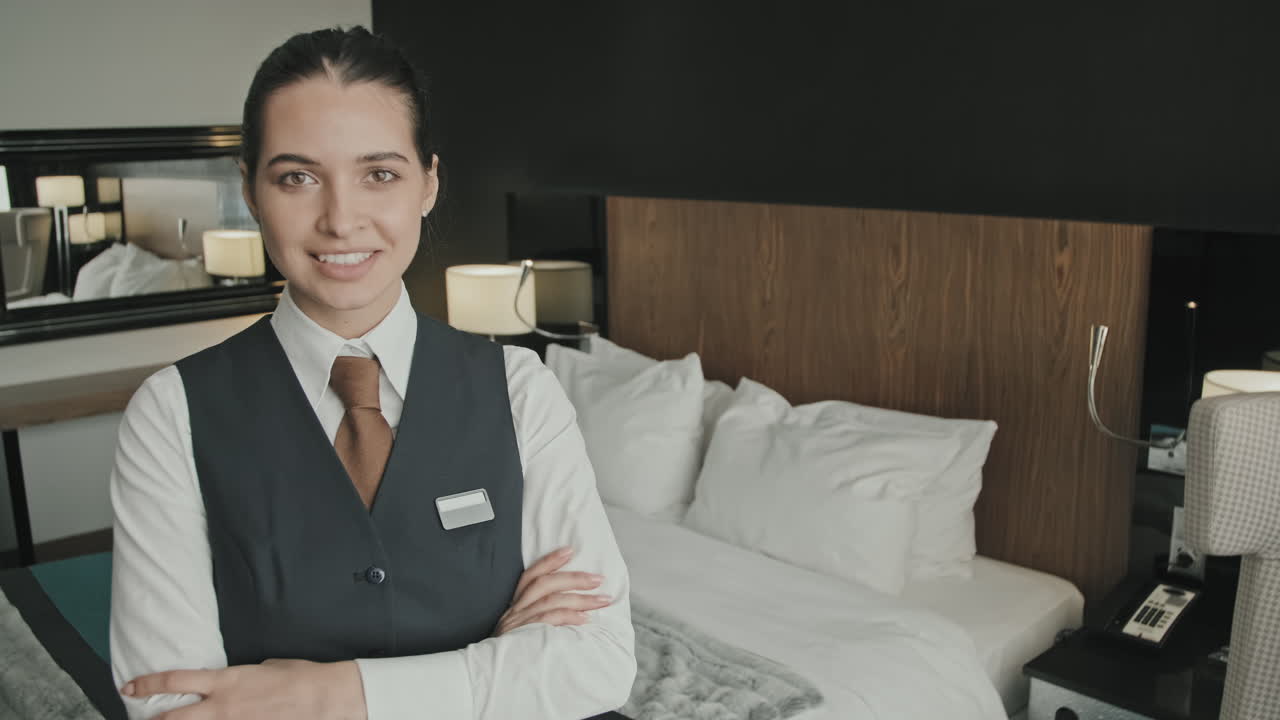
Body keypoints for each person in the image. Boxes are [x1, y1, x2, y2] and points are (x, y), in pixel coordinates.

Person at [108, 26, 635, 720]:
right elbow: (172, 706)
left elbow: (596, 664)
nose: (340, 219)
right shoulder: (171, 412)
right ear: (252, 190)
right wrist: (490, 665)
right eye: (297, 177)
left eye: (378, 174)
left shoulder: (520, 390)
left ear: (429, 184)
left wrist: (327, 694)